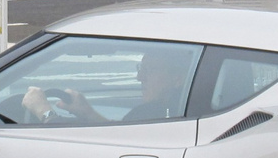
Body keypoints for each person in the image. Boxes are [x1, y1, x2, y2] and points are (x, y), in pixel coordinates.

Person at [20, 45, 192, 125]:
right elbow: (120, 134)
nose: (140, 77)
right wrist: (88, 113)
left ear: (178, 78)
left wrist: (45, 112)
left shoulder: (153, 113)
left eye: (150, 70)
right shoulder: (182, 110)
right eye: (141, 68)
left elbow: (111, 145)